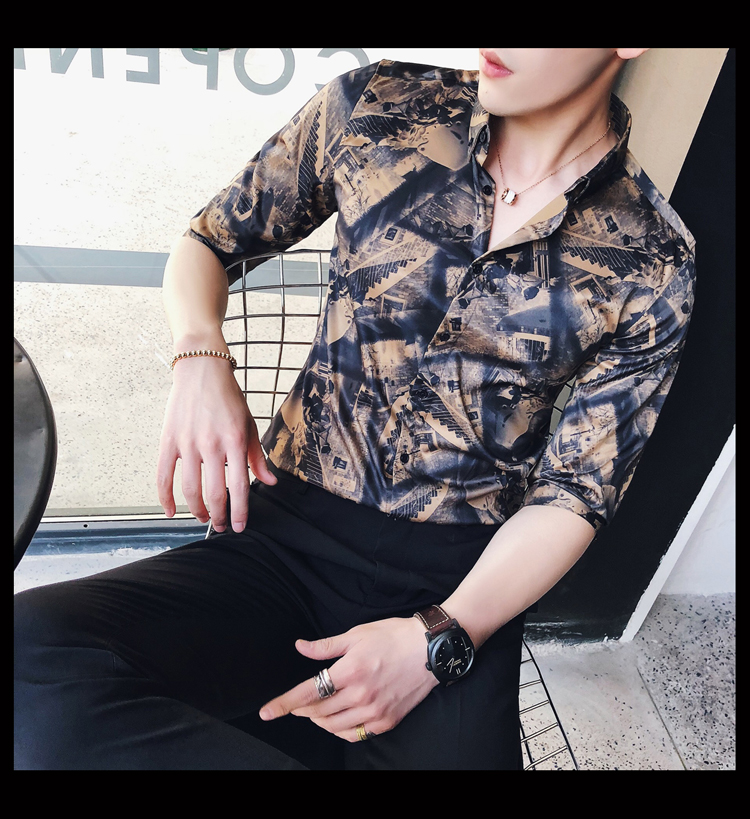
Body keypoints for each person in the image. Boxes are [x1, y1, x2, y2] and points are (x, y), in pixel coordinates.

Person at [14, 48, 696, 770]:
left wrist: (438, 638)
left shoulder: (656, 260)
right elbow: (208, 242)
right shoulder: (376, 104)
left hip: (458, 581)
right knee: (30, 664)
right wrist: (199, 356)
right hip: (280, 543)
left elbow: (575, 494)